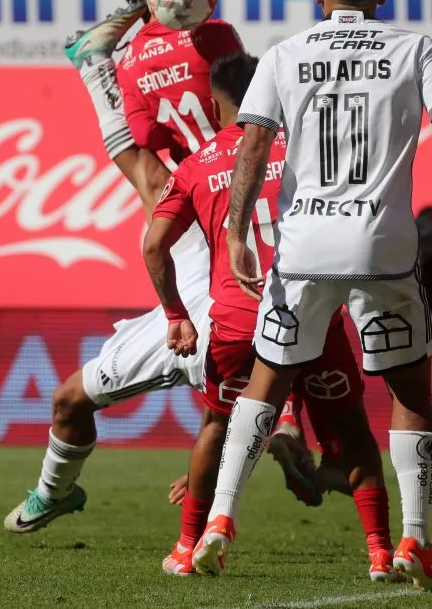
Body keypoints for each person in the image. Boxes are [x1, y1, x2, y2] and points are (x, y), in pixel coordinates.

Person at [190, 0, 432, 595]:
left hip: (304, 247)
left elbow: (253, 142)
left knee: (267, 382)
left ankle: (220, 520)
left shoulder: (285, 53)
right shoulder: (415, 48)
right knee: (409, 394)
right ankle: (414, 538)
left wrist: (236, 231)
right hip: (384, 247)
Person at [3, 0, 319, 535]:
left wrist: (112, 64)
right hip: (250, 221)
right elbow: (240, 86)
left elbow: (147, 160)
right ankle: (286, 429)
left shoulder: (137, 68)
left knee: (74, 400)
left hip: (195, 242)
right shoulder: (220, 43)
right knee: (272, 351)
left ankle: (56, 491)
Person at [143, 51, 396, 580]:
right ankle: (380, 552)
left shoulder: (196, 165)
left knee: (218, 424)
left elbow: (153, 246)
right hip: (313, 310)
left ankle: (188, 546)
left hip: (239, 321)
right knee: (351, 426)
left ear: (214, 103)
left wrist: (175, 313)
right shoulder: (309, 148)